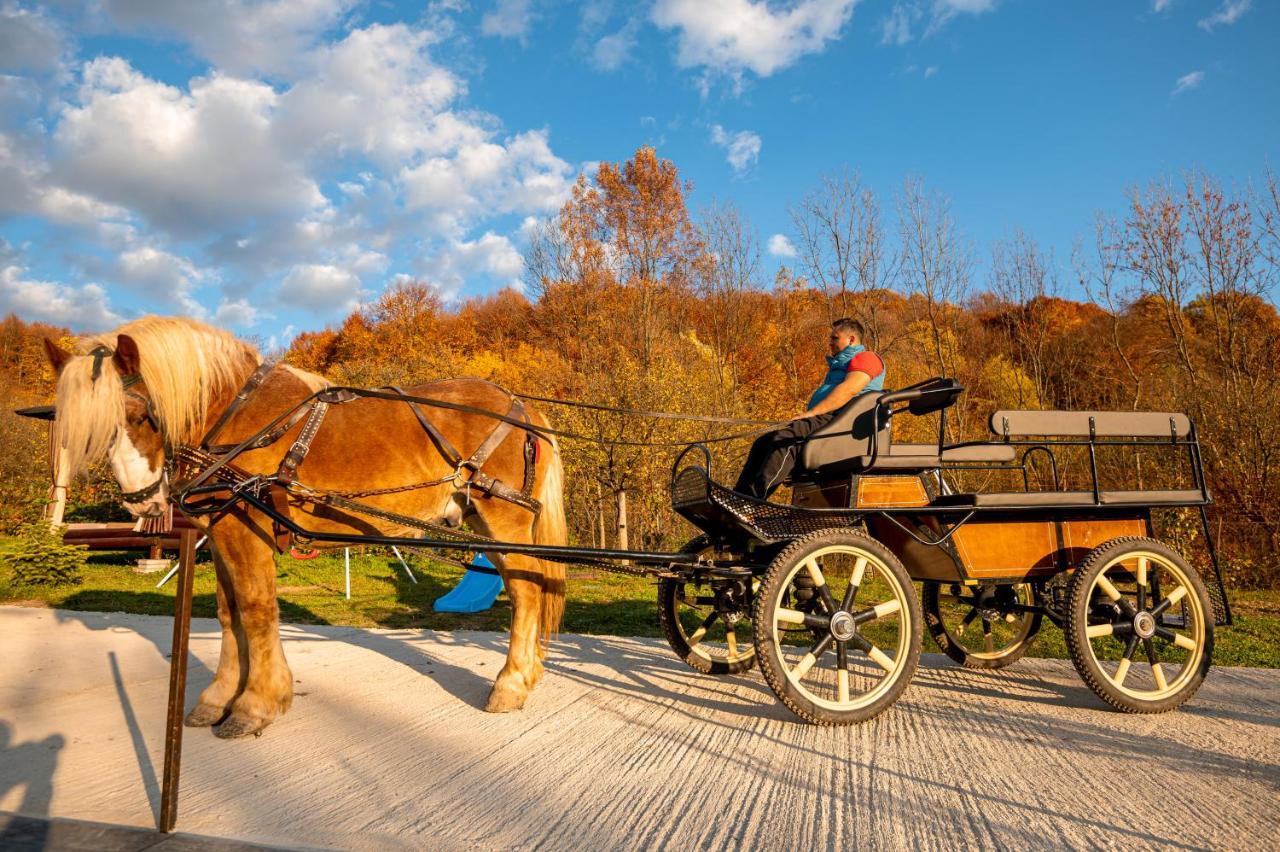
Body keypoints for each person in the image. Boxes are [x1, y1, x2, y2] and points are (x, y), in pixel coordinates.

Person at [733, 318, 885, 499]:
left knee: (788, 438)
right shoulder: (838, 367)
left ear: (851, 340)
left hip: (844, 421)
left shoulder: (867, 358)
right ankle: (737, 497)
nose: (830, 342)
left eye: (835, 338)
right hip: (829, 419)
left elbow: (849, 390)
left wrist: (812, 413)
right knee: (764, 442)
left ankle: (754, 500)